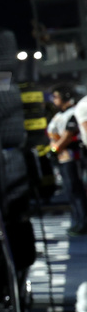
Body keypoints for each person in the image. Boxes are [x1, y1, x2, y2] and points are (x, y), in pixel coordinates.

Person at [49, 85, 87, 235]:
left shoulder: (74, 112)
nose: (53, 100)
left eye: (56, 96)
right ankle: (78, 220)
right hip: (62, 158)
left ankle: (83, 222)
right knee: (70, 192)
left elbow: (68, 135)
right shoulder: (59, 114)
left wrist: (54, 149)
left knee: (77, 191)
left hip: (72, 157)